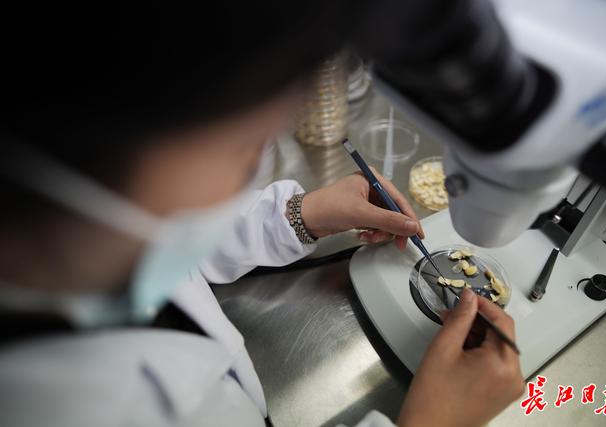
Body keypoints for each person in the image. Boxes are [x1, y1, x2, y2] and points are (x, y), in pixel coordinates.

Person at [0, 3, 524, 426]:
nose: (257, 164)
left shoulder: (68, 239)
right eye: (246, 148)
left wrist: (298, 215)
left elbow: (166, 239)